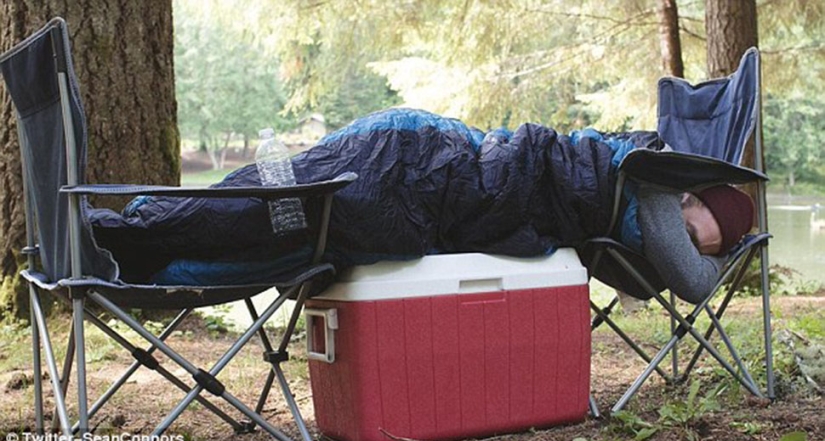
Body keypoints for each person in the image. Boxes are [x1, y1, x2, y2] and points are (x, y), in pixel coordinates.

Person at [89, 108, 754, 303]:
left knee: (291, 240)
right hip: (416, 171)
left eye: (714, 248)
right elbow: (692, 284)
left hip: (421, 188)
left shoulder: (627, 196)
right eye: (709, 232)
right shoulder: (652, 183)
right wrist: (741, 256)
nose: (701, 246)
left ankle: (135, 262)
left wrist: (728, 247)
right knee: (280, 206)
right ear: (692, 195)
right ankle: (125, 232)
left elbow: (650, 278)